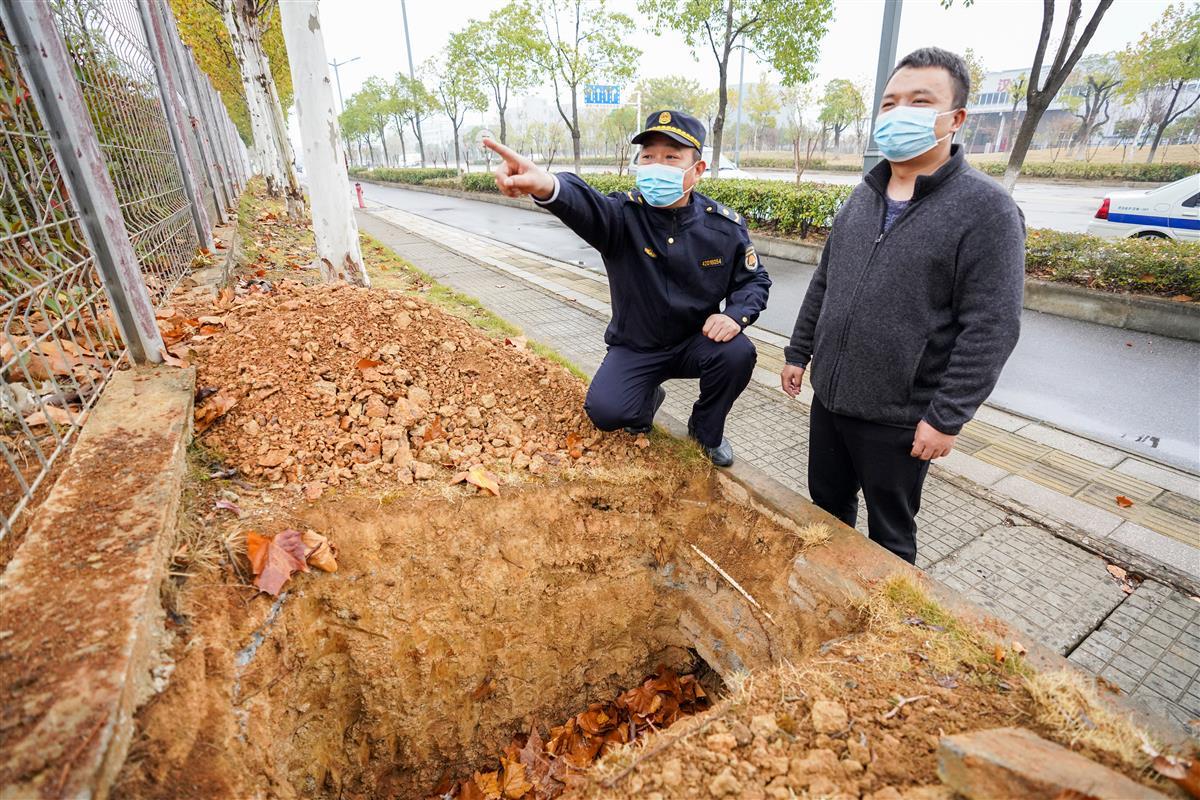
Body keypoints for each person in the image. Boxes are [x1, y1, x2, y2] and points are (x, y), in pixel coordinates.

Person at [780, 47, 1025, 563]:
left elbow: (992, 326)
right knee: (826, 508)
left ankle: (885, 621)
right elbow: (826, 280)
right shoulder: (864, 194)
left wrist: (947, 418)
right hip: (831, 399)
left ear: (955, 119)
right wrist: (798, 352)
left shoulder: (987, 210)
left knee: (890, 533)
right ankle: (831, 591)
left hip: (900, 417)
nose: (898, 113)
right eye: (890, 103)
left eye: (919, 101)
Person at [483, 110, 771, 467]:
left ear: (697, 169)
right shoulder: (622, 216)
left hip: (696, 342)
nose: (656, 165)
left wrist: (735, 315)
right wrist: (546, 186)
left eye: (670, 156)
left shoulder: (723, 228)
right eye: (648, 156)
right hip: (638, 346)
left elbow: (754, 280)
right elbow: (584, 202)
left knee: (738, 352)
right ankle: (647, 397)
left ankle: (706, 432)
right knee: (606, 412)